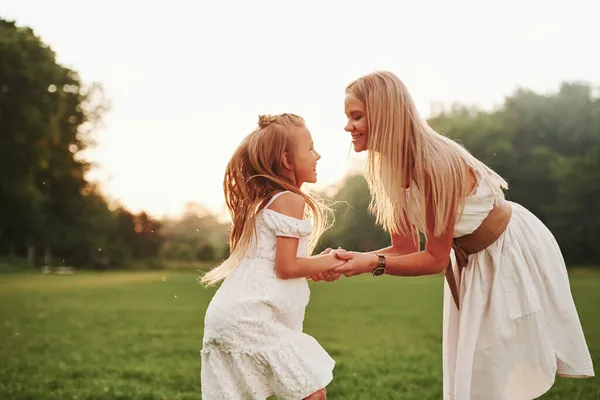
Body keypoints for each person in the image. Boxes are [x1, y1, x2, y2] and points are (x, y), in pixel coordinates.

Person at [316, 71, 594, 399]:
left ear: (384, 114)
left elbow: (434, 259)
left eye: (357, 116)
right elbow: (405, 248)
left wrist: (370, 263)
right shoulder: (388, 168)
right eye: (348, 117)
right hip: (469, 260)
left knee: (493, 371)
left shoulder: (432, 164)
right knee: (476, 374)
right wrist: (352, 258)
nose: (348, 126)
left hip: (506, 249)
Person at [200, 114, 342, 400]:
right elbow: (287, 266)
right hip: (250, 319)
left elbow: (276, 267)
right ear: (288, 161)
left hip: (231, 316)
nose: (318, 155)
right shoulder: (290, 199)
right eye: (311, 148)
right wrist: (332, 261)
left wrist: (317, 264)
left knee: (307, 391)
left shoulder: (267, 202)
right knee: (311, 392)